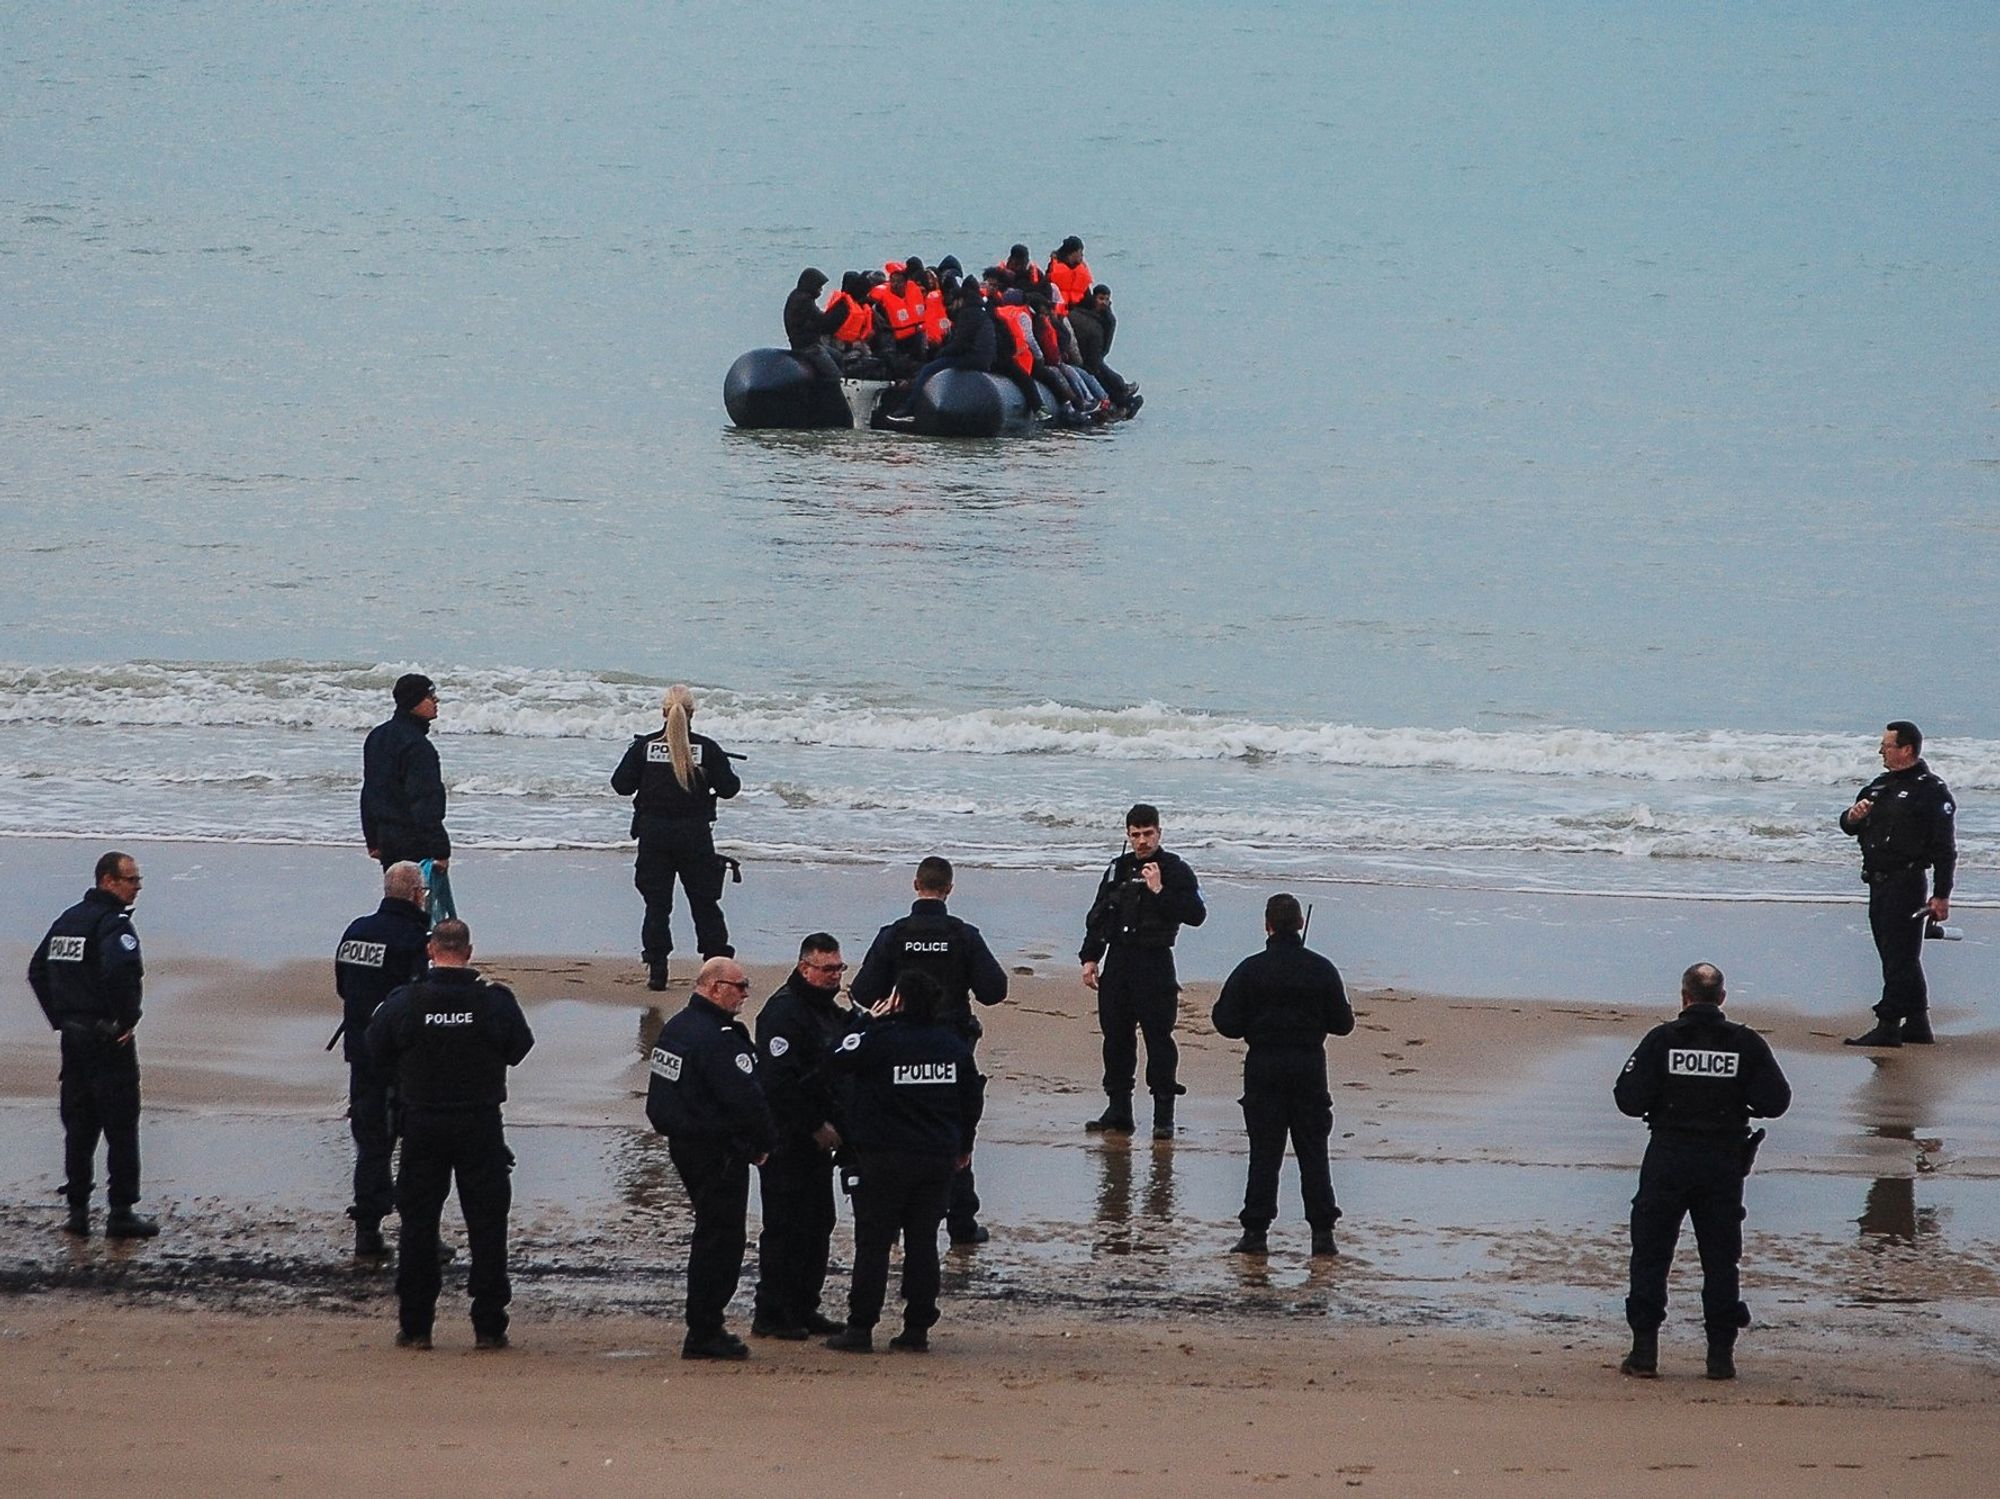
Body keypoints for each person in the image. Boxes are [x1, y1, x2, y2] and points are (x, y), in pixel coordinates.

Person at [1614, 962, 1792, 1381]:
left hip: (1669, 1157)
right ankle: (1720, 1357)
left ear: (1684, 998)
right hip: (1722, 1162)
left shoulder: (1662, 1040)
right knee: (1721, 1261)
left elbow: (1628, 1099)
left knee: (1651, 1254)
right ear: (1722, 999)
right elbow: (1776, 1101)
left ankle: (1644, 1353)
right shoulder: (1745, 1044)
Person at [365, 918, 534, 1350]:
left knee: (418, 1225)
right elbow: (519, 1047)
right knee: (487, 1226)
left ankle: (416, 1326)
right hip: (478, 1123)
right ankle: (489, 1327)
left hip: (424, 1124)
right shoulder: (493, 1001)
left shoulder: (406, 1001)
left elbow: (375, 1046)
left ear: (430, 951)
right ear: (469, 952)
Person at [823, 971, 983, 1354]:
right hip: (936, 1158)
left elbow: (833, 1058)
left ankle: (861, 1328)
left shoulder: (880, 1039)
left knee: (874, 1244)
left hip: (884, 1157)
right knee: (923, 1242)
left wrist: (866, 1020)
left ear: (897, 1000)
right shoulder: (952, 1046)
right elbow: (971, 1100)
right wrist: (964, 1145)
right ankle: (917, 1328)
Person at [851, 857, 1007, 1244]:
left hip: (898, 1043)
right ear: (949, 890)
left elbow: (864, 991)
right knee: (954, 1128)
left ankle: (894, 1223)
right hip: (949, 1043)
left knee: (896, 1126)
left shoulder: (893, 935)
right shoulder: (963, 935)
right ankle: (961, 1222)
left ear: (915, 885)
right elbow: (994, 990)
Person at [646, 956, 775, 1360]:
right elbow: (746, 1099)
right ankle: (705, 1328)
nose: (745, 994)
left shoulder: (677, 1028)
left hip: (686, 1143)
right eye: (739, 987)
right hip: (717, 1151)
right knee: (721, 1239)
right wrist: (764, 1142)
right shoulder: (716, 1038)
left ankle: (704, 1324)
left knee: (712, 1233)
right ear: (715, 988)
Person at [1211, 893, 1354, 1257]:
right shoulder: (1321, 968)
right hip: (1309, 1068)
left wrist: (1254, 1022)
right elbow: (1343, 1024)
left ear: (1267, 926)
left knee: (1264, 1153)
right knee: (1313, 1152)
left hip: (1264, 1067)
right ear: (1300, 924)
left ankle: (1255, 1233)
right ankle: (1323, 1235)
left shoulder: (1250, 969)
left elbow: (1225, 1022)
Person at [27, 851, 158, 1239]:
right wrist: (126, 1020)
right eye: (131, 879)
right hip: (106, 1039)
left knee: (79, 1126)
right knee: (121, 1125)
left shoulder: (67, 920)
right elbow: (121, 972)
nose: (137, 887)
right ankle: (120, 1213)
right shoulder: (112, 924)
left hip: (74, 1038)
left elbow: (37, 970)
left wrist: (61, 1019)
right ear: (107, 881)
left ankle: (78, 1212)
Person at [750, 933, 856, 1340]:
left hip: (818, 1142)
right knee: (785, 1227)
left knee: (819, 1222)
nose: (835, 976)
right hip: (786, 1138)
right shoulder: (784, 1013)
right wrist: (815, 1124)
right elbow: (778, 1083)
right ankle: (773, 1312)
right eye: (827, 969)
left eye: (839, 968)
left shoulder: (826, 1009)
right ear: (804, 968)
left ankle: (804, 1306)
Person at [1080, 803, 1206, 1139]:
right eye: (1135, 834)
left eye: (1148, 834)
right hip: (1118, 963)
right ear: (1128, 834)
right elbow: (1099, 917)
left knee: (1159, 1040)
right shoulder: (1117, 869)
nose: (1142, 841)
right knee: (1116, 1039)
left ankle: (1163, 1116)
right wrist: (1090, 958)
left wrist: (1159, 890)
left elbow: (1196, 914)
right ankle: (1118, 1110)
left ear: (1159, 833)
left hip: (1155, 963)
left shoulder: (1174, 869)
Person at [611, 684, 743, 991]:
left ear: (663, 712)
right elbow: (730, 788)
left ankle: (658, 971)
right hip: (694, 837)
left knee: (657, 906)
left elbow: (621, 785)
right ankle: (717, 969)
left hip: (653, 836)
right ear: (692, 713)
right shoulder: (707, 749)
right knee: (705, 904)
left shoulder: (644, 747)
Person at [333, 861, 432, 1261]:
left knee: (370, 1141)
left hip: (360, 1050)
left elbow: (343, 986)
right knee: (413, 1147)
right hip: (400, 1059)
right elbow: (419, 1000)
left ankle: (368, 1231)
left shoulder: (356, 930)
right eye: (423, 891)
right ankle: (416, 1231)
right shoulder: (414, 938)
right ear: (416, 894)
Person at [1839, 720, 1956, 1047]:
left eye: (1886, 746)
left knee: (1899, 957)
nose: (1881, 751)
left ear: (1906, 749)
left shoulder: (1930, 791)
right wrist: (1853, 816)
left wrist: (1941, 895)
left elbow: (1945, 849)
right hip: (1878, 881)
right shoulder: (1879, 787)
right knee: (1897, 954)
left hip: (1907, 882)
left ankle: (1888, 1024)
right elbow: (1848, 824)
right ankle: (1917, 1023)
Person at [360, 673, 450, 872]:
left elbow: (370, 791)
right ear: (414, 701)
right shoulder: (417, 746)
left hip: (386, 838)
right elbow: (425, 800)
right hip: (415, 841)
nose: (436, 700)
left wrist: (372, 839)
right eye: (430, 695)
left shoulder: (377, 736)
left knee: (396, 889)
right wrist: (440, 850)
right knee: (418, 892)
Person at [889, 279, 995, 419]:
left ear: (960, 300)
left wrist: (941, 353)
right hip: (983, 357)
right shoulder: (981, 312)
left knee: (928, 369)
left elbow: (960, 344)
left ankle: (910, 407)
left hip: (974, 358)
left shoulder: (968, 314)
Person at [1068, 284, 1139, 414]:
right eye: (1101, 299)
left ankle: (1122, 398)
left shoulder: (1103, 319)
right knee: (1100, 374)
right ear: (1094, 298)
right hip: (1085, 359)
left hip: (1090, 357)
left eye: (1106, 300)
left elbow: (1103, 349)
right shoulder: (1092, 323)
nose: (1104, 303)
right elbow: (1101, 351)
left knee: (1102, 372)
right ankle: (1121, 398)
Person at [783, 266, 848, 383]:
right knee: (834, 375)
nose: (821, 290)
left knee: (837, 356)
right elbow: (822, 323)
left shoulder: (799, 296)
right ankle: (833, 390)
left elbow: (817, 319)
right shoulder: (803, 301)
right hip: (806, 347)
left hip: (813, 343)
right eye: (819, 287)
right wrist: (840, 310)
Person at [1046, 235, 1093, 310]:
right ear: (1072, 253)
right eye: (1080, 252)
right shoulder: (1053, 269)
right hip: (1059, 310)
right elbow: (1047, 291)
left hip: (1079, 308)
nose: (1082, 255)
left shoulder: (1081, 269)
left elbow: (1088, 296)